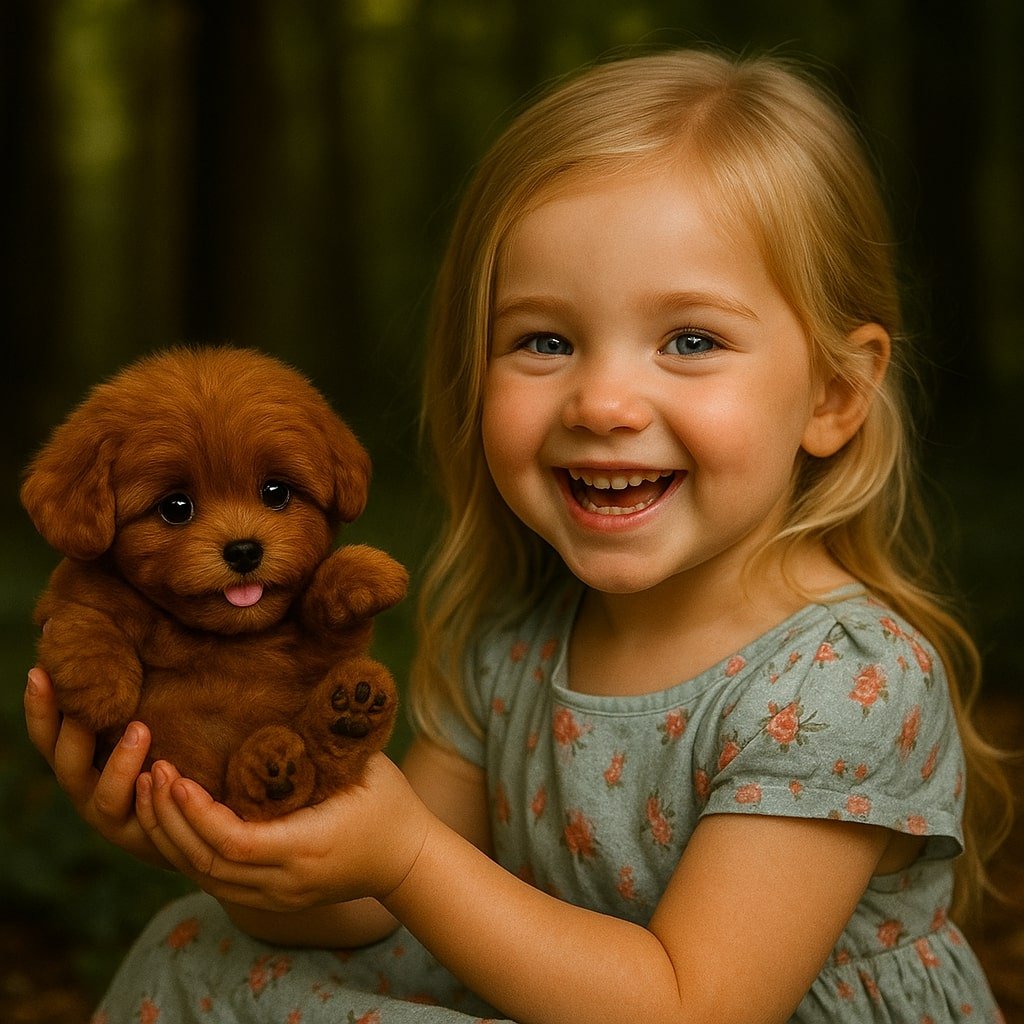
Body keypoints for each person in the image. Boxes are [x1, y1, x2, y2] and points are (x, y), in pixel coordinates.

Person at [24, 47, 1012, 1023]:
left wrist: (408, 850)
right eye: (545, 340)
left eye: (690, 340)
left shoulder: (838, 683)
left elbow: (689, 1004)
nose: (605, 400)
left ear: (834, 395)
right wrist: (228, 847)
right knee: (196, 944)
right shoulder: (516, 635)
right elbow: (372, 904)